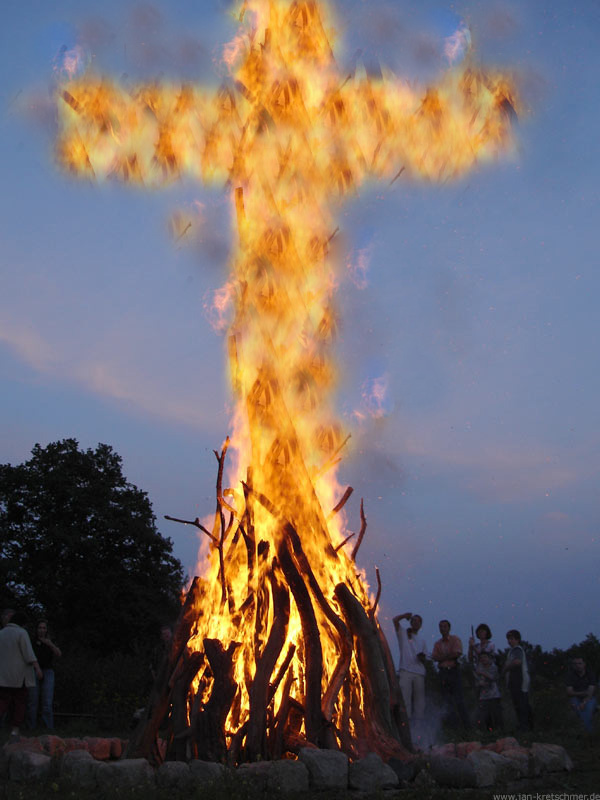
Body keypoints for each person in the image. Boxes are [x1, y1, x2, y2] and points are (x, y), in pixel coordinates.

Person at [0, 610, 43, 742]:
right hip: (19, 677)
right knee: (20, 702)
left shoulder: (1, 633)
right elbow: (28, 654)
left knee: (2, 702)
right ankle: (15, 730)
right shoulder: (21, 633)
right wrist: (37, 667)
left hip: (3, 676)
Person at [432, 619, 470, 728]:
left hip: (453, 671)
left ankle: (467, 727)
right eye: (441, 626)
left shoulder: (455, 639)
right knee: (446, 701)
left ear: (449, 628)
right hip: (443, 673)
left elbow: (456, 653)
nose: (442, 628)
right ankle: (453, 727)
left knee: (459, 699)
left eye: (444, 626)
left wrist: (442, 658)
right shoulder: (437, 643)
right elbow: (435, 657)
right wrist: (447, 656)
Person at [392, 612, 427, 728]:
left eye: (418, 621)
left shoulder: (422, 640)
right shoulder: (403, 633)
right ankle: (405, 726)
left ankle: (419, 728)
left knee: (419, 703)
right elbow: (395, 620)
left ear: (421, 624)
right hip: (405, 670)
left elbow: (426, 658)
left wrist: (422, 658)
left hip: (419, 673)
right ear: (411, 622)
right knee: (405, 700)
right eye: (414, 621)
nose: (416, 623)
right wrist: (405, 615)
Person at [27, 620, 61, 730]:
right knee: (33, 700)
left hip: (48, 671)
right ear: (36, 629)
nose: (42, 630)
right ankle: (31, 726)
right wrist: (36, 668)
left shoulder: (50, 642)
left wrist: (50, 643)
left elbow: (58, 654)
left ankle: (48, 727)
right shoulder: (31, 641)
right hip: (34, 670)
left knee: (47, 700)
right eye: (40, 628)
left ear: (46, 630)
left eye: (44, 628)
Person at [502, 629, 533, 730]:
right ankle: (525, 726)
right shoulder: (512, 651)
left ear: (517, 639)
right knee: (519, 704)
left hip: (519, 680)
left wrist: (506, 668)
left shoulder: (517, 650)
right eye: (508, 639)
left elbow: (517, 662)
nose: (509, 641)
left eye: (511, 639)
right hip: (514, 680)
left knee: (521, 704)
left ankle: (525, 727)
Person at [565, 655, 597, 732]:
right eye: (575, 664)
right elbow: (569, 692)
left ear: (584, 664)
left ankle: (586, 732)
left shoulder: (590, 674)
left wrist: (584, 702)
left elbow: (590, 692)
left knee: (588, 709)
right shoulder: (570, 675)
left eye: (579, 663)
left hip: (589, 698)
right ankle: (589, 732)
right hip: (575, 698)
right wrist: (582, 693)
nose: (577, 666)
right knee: (578, 707)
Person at [474, 650, 503, 731]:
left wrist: (482, 673)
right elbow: (476, 682)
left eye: (485, 657)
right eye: (481, 658)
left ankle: (500, 732)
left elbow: (493, 677)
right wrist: (480, 683)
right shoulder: (479, 669)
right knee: (485, 717)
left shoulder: (494, 667)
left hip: (494, 695)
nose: (483, 659)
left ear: (489, 658)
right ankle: (489, 733)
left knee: (497, 715)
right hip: (483, 696)